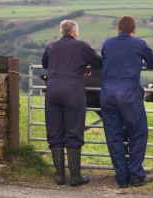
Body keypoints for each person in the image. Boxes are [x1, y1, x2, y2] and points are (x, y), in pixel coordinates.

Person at [100, 15, 153, 188]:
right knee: (138, 134)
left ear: (117, 29)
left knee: (114, 136)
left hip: (108, 94)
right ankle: (136, 175)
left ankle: (121, 178)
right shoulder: (139, 43)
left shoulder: (107, 43)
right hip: (129, 95)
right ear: (134, 30)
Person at [42, 19, 102, 186]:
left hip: (52, 90)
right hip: (73, 91)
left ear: (62, 32)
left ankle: (60, 176)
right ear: (75, 32)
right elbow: (98, 63)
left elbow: (46, 64)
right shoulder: (82, 46)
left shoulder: (51, 46)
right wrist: (84, 67)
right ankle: (75, 176)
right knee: (73, 130)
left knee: (55, 131)